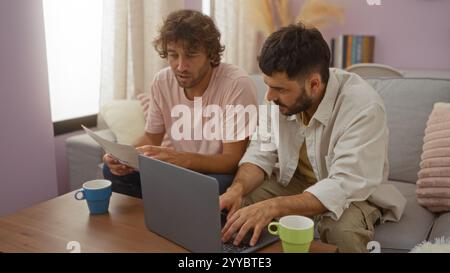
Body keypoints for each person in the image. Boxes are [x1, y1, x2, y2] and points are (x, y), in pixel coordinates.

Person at [219, 23, 406, 252]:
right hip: (296, 182)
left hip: (354, 193)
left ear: (314, 84)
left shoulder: (363, 107)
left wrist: (273, 207)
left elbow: (343, 184)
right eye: (268, 85)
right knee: (238, 209)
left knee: (343, 232)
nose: (269, 96)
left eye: (280, 89)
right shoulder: (276, 100)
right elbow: (260, 153)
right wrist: (237, 189)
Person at [103, 9, 258, 198]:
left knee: (210, 188)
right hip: (180, 169)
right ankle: (148, 218)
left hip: (220, 173)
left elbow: (231, 160)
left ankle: (168, 204)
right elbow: (152, 138)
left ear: (210, 54)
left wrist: (181, 159)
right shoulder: (162, 81)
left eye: (191, 55)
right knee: (110, 171)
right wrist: (122, 156)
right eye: (173, 55)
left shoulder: (236, 84)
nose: (181, 66)